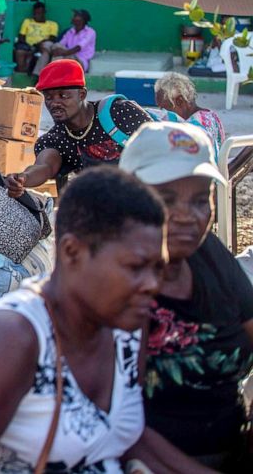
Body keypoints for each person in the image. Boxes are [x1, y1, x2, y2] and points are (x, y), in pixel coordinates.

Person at [0, 167, 186, 473]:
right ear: (72, 252)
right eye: (135, 266)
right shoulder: (11, 340)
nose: (153, 284)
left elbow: (124, 440)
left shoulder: (126, 327)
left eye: (158, 268)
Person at [120, 122, 253, 472]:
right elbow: (117, 425)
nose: (187, 216)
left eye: (200, 199)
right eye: (165, 199)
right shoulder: (111, 281)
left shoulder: (208, 254)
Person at [5, 59, 151, 196]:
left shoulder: (119, 112)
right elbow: (45, 166)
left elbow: (160, 141)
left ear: (82, 94)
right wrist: (23, 178)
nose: (54, 103)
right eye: (49, 97)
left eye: (63, 96)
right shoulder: (55, 139)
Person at [155, 72, 226, 159]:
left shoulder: (194, 125)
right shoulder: (211, 115)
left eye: (165, 108)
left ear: (179, 101)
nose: (163, 112)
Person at [15, 2, 59, 76]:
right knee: (20, 51)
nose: (37, 15)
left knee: (43, 50)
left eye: (39, 13)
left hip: (43, 45)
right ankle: (22, 74)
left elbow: (52, 38)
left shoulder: (52, 24)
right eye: (35, 13)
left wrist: (39, 44)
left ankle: (39, 75)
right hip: (28, 46)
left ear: (44, 12)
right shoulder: (27, 22)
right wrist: (30, 46)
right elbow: (21, 37)